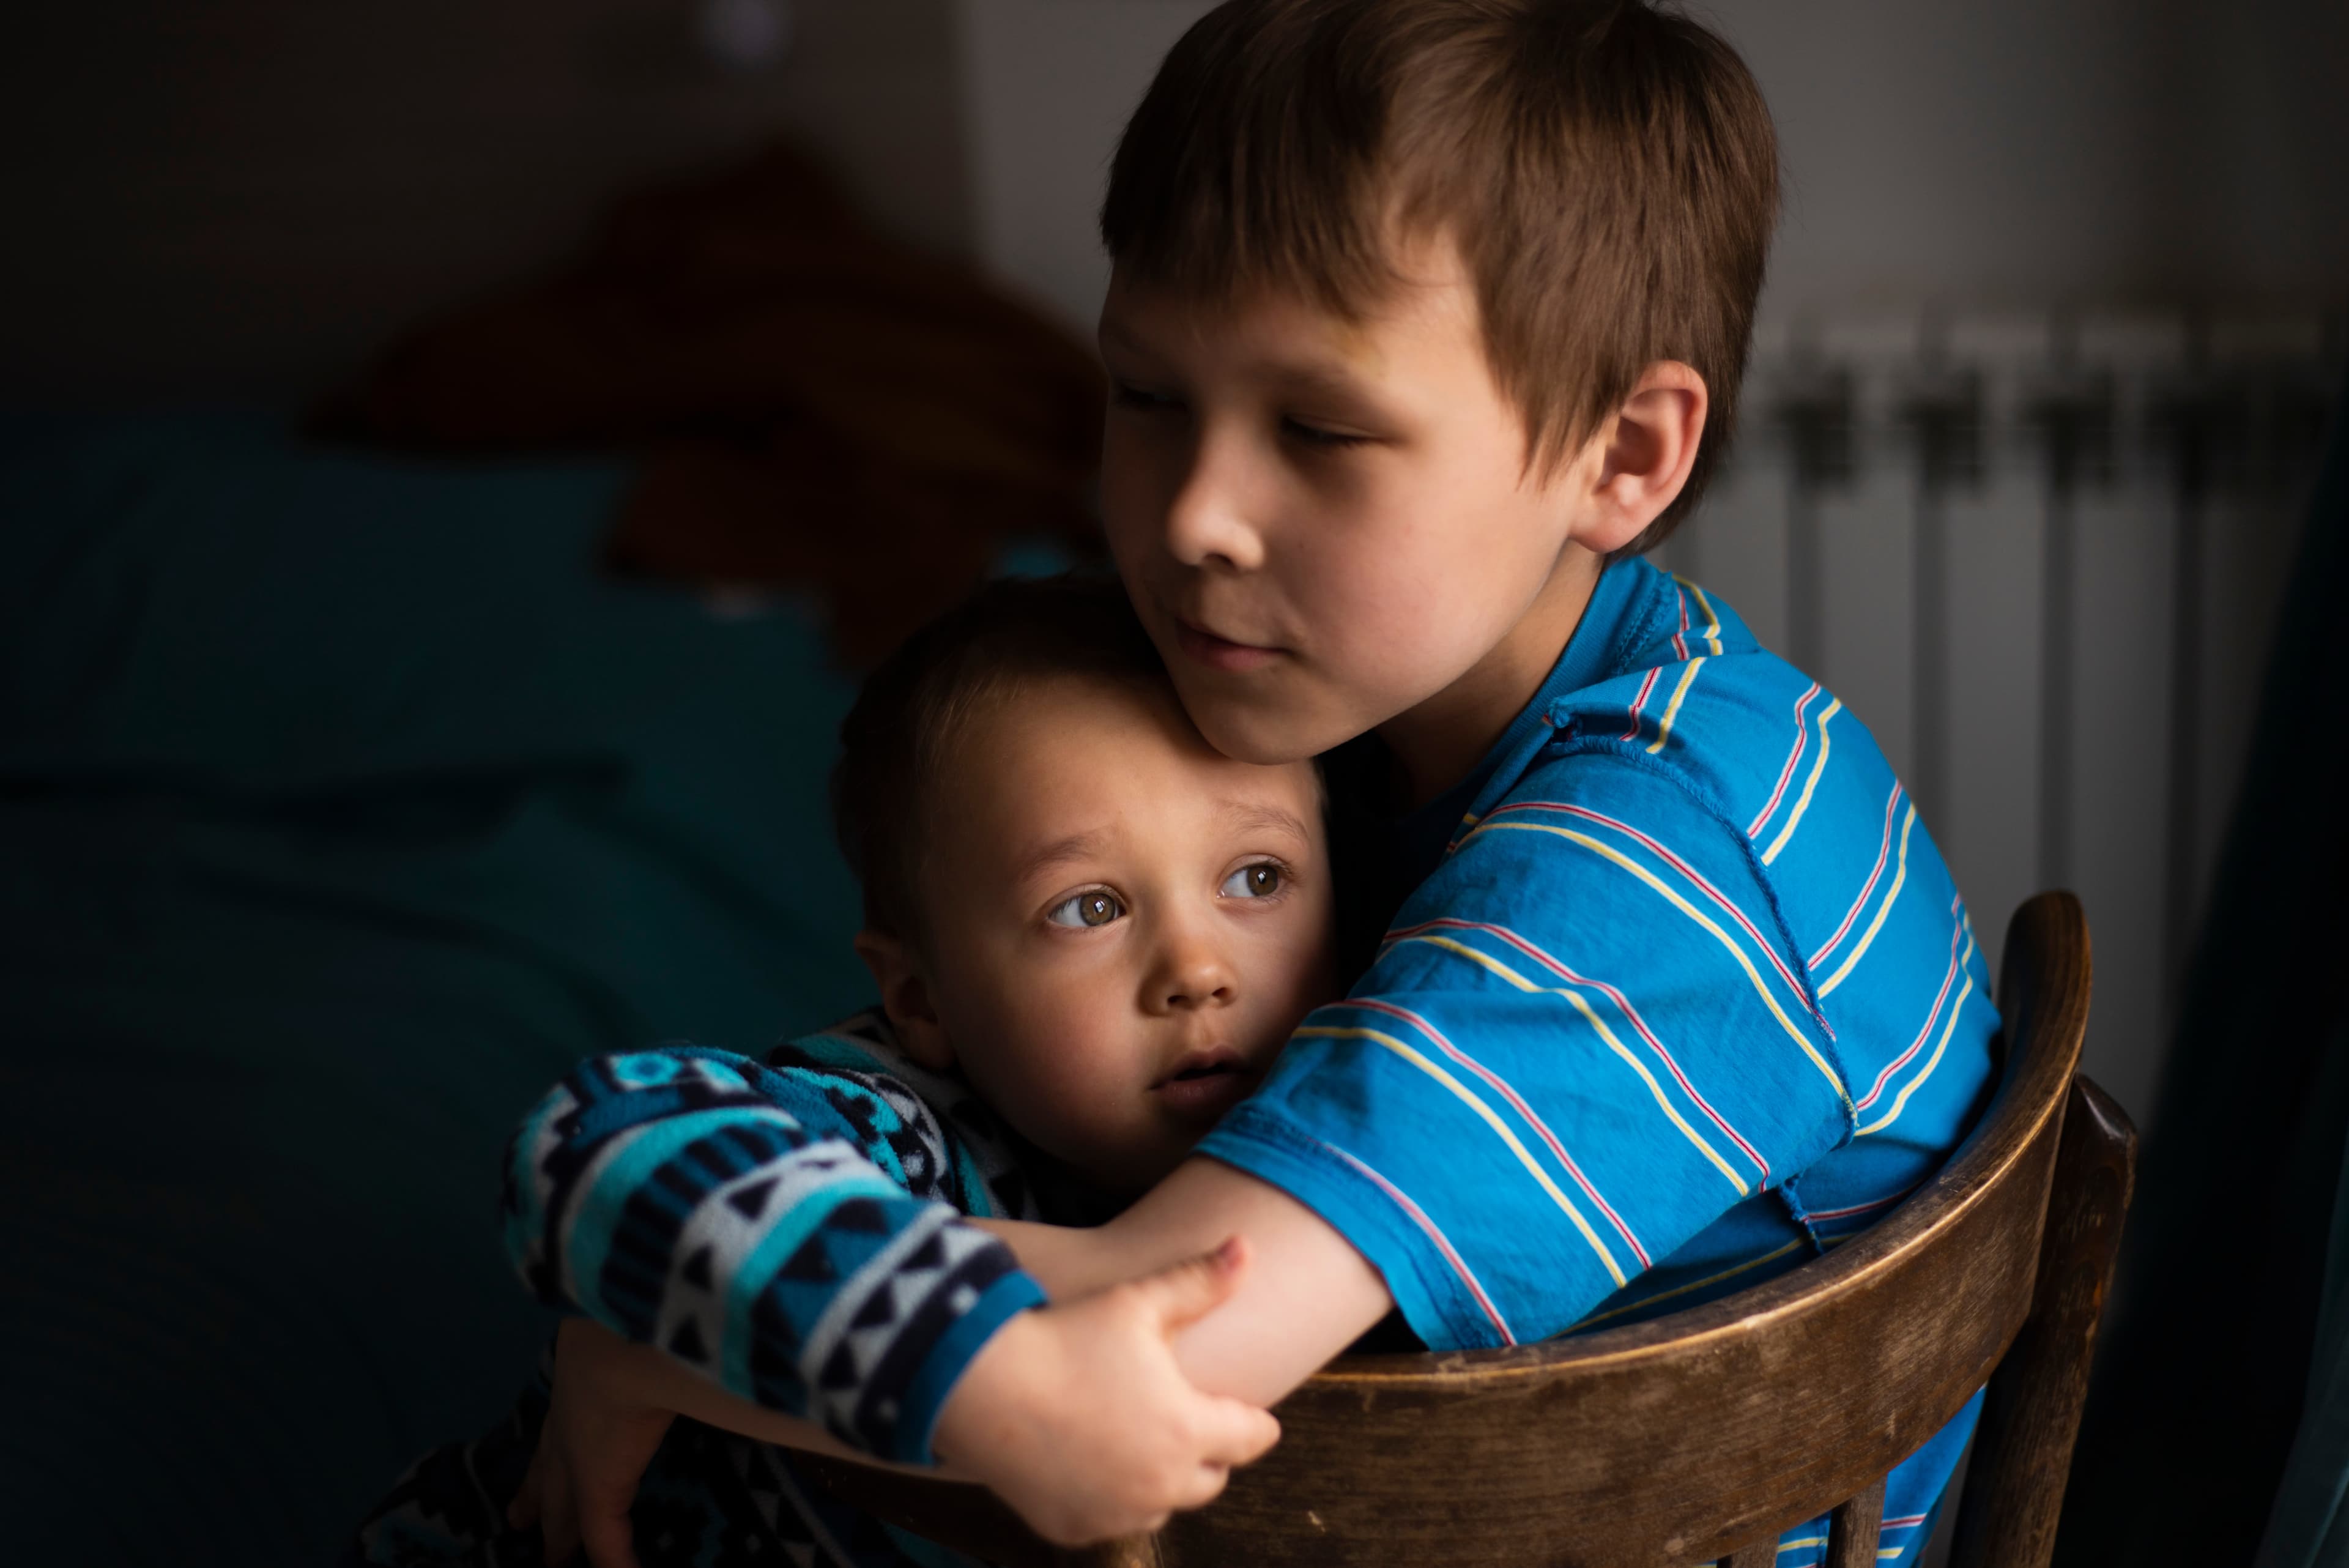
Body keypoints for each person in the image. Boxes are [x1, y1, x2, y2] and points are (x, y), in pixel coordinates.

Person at [522, 3, 2002, 1565]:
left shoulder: (1661, 858)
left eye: (1321, 426)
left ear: (1623, 455)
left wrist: (662, 1338)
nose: (1194, 518)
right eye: (1148, 398)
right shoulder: (1386, 725)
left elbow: (1160, 1344)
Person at [348, 573, 1316, 1566]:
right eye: (1089, 908)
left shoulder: (1375, 1128)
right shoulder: (897, 1129)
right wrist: (995, 1378)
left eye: (1258, 878)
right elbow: (599, 1142)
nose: (1197, 972)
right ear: (922, 1001)